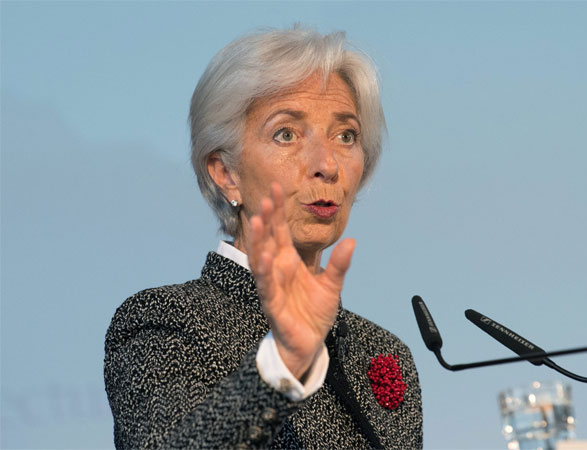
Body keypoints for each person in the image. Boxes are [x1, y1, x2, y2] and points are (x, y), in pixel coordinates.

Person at [104, 27, 423, 449]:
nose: (327, 165)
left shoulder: (381, 351)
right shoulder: (164, 321)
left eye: (345, 136)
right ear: (225, 173)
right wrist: (282, 366)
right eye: (286, 134)